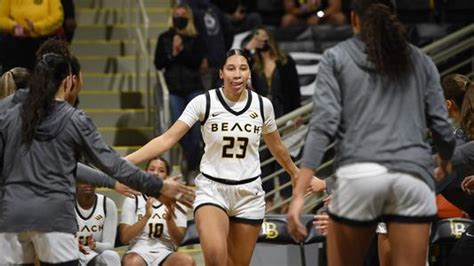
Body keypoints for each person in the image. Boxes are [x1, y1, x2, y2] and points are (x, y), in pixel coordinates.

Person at [287, 1, 456, 266]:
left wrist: (298, 196)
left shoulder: (337, 57)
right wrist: (444, 162)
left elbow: (322, 128)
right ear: (394, 17)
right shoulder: (421, 60)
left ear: (354, 19)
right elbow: (442, 126)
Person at [126, 48, 326, 266]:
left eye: (243, 68)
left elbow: (277, 147)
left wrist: (296, 174)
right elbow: (167, 139)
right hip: (212, 190)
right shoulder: (204, 102)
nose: (237, 74)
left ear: (250, 72)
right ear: (221, 73)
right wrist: (126, 162)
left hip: (249, 194)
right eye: (231, 68)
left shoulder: (262, 105)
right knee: (215, 257)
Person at [0, 53, 193, 265]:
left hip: (12, 214)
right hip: (52, 216)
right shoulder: (72, 118)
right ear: (69, 81)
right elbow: (112, 163)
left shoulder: (9, 113)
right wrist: (159, 186)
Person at [244, 26, 302, 212]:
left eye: (264, 38)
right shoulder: (252, 62)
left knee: (283, 155)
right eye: (258, 38)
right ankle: (268, 199)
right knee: (263, 157)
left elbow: (294, 89)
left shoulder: (285, 61)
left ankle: (285, 198)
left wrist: (298, 112)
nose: (262, 42)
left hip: (284, 113)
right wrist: (248, 48)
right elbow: (236, 63)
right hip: (260, 114)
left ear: (272, 40)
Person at [154, 3, 206, 185]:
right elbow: (159, 63)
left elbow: (196, 62)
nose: (180, 18)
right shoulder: (164, 38)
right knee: (180, 129)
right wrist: (172, 53)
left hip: (193, 88)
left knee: (196, 131)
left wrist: (181, 51)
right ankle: (191, 163)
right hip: (174, 89)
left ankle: (191, 166)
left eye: (183, 15)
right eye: (177, 15)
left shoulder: (196, 38)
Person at [120, 157, 195, 266]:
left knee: (187, 261)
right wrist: (146, 217)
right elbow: (124, 238)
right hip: (138, 250)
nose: (155, 173)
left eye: (161, 170)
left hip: (165, 252)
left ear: (167, 177)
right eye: (152, 169)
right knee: (132, 262)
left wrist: (170, 219)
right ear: (144, 173)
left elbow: (178, 241)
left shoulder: (176, 202)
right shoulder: (133, 199)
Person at [0, 0, 63, 72]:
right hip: (13, 45)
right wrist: (13, 26)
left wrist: (35, 27)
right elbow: (1, 17)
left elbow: (57, 18)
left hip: (41, 43)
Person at [76, 181, 121, 266]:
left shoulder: (107, 204)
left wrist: (95, 245)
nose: (88, 182)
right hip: (70, 253)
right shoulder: (66, 203)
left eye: (91, 178)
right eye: (83, 179)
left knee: (112, 256)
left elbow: (109, 245)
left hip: (95, 254)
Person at [281, 0, 346, 28]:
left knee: (339, 18)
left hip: (323, 16)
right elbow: (289, 9)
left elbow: (336, 7)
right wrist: (305, 9)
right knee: (287, 19)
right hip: (301, 17)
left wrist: (318, 16)